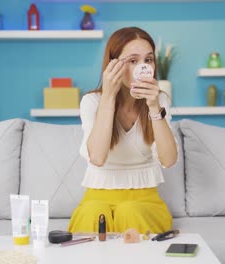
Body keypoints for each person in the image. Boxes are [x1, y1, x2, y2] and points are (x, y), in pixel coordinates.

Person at [68, 27, 178, 235]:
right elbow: (98, 157)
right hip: (97, 196)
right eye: (133, 61)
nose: (143, 67)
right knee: (94, 213)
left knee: (130, 211)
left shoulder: (159, 99)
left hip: (144, 200)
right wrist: (109, 96)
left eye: (149, 60)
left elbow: (169, 160)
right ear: (113, 65)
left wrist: (154, 107)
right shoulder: (92, 101)